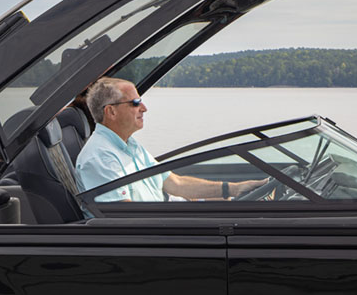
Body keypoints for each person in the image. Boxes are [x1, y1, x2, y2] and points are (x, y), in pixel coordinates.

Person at [75, 78, 264, 202]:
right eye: (135, 103)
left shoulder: (130, 145)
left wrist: (233, 189)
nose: (144, 108)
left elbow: (176, 184)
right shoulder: (99, 157)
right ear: (111, 111)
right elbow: (125, 217)